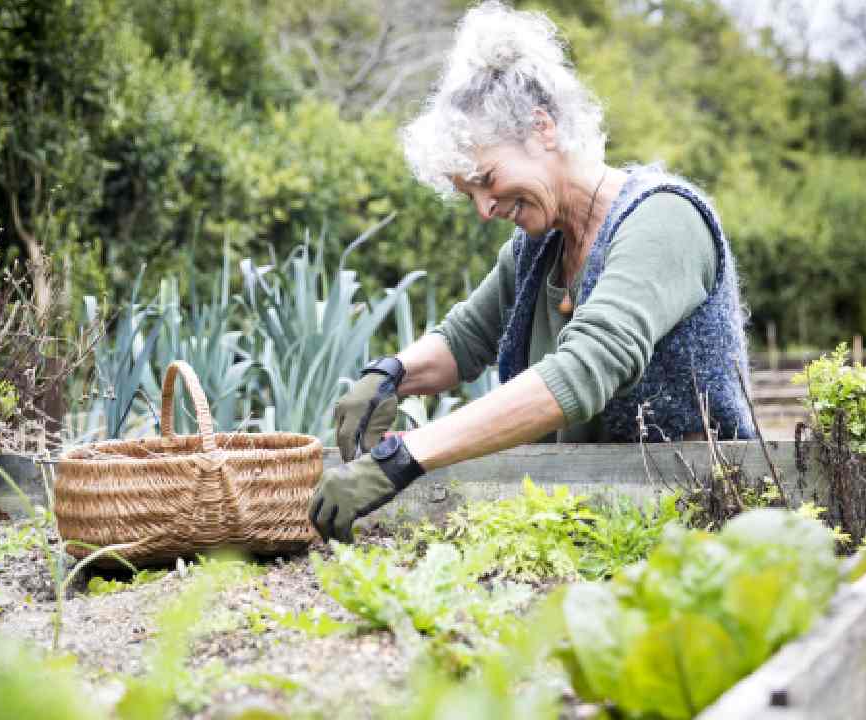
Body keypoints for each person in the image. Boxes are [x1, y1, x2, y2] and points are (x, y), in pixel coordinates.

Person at [308, 1, 755, 543]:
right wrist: (389, 377)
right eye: (468, 194)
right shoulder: (538, 247)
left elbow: (585, 369)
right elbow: (465, 339)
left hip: (699, 521)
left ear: (543, 129)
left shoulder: (664, 219)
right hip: (599, 517)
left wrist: (405, 457)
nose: (483, 208)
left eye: (487, 178)